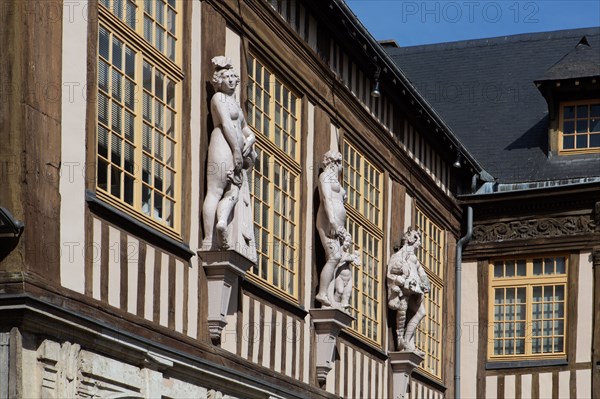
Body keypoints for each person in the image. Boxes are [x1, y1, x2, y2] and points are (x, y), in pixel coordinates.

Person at [202, 56, 256, 250]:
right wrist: (236, 150)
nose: (232, 80)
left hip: (236, 150)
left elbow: (246, 129)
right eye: (227, 77)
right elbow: (225, 123)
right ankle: (209, 240)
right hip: (223, 145)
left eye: (234, 77)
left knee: (233, 190)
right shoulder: (218, 98)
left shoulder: (235, 104)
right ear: (219, 80)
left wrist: (250, 140)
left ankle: (222, 221)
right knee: (215, 190)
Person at [316, 150, 354, 307]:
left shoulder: (335, 180)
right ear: (333, 163)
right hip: (327, 222)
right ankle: (322, 293)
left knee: (335, 259)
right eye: (340, 163)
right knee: (334, 257)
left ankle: (330, 299)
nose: (341, 167)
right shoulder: (325, 176)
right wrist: (332, 221)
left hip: (337, 226)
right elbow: (326, 199)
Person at [387, 228, 430, 354]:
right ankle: (402, 341)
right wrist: (398, 279)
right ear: (412, 239)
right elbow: (394, 266)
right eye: (418, 239)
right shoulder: (403, 253)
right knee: (403, 312)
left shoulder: (413, 257)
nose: (420, 243)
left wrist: (425, 283)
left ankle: (406, 340)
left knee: (421, 312)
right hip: (406, 288)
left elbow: (421, 271)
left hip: (414, 289)